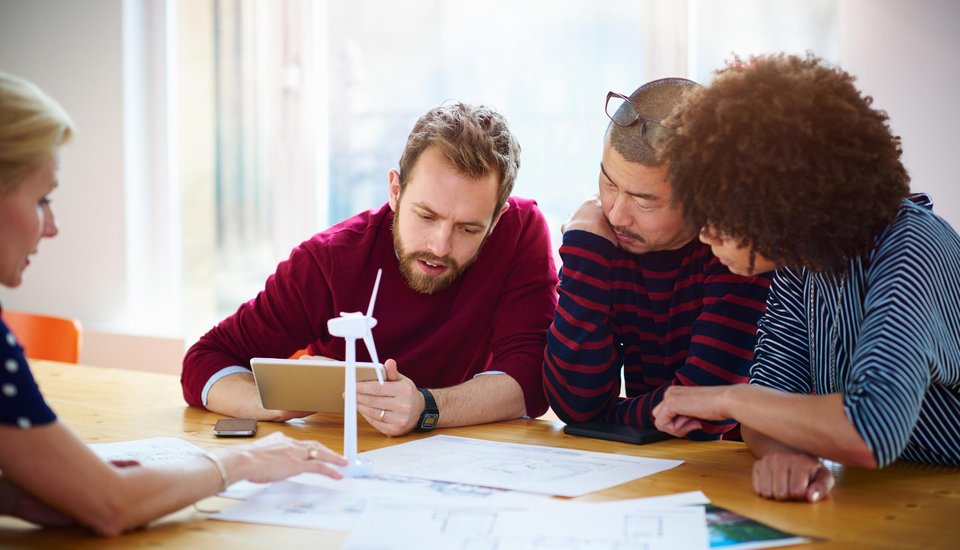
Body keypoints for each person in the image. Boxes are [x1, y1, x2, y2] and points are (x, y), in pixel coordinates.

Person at [0, 72, 347, 536]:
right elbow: (112, 505)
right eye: (42, 199)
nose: (53, 226)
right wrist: (243, 460)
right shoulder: (327, 259)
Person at [652, 53, 960, 502]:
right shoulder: (802, 263)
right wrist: (783, 452)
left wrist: (726, 400)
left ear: (775, 200)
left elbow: (870, 430)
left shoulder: (911, 249)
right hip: (896, 492)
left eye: (719, 214)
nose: (704, 233)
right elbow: (768, 405)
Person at [181, 102, 558, 436]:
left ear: (496, 220)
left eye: (468, 229)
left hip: (475, 460)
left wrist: (425, 407)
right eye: (426, 216)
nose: (440, 246)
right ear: (395, 190)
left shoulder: (520, 230)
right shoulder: (329, 261)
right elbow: (204, 361)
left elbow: (529, 379)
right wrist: (274, 402)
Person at [543, 79, 771, 439]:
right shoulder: (602, 241)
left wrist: (606, 416)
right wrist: (584, 257)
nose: (617, 214)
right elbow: (574, 406)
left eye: (644, 200)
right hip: (646, 473)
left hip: (734, 472)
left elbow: (703, 413)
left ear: (704, 199)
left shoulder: (738, 256)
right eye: (608, 183)